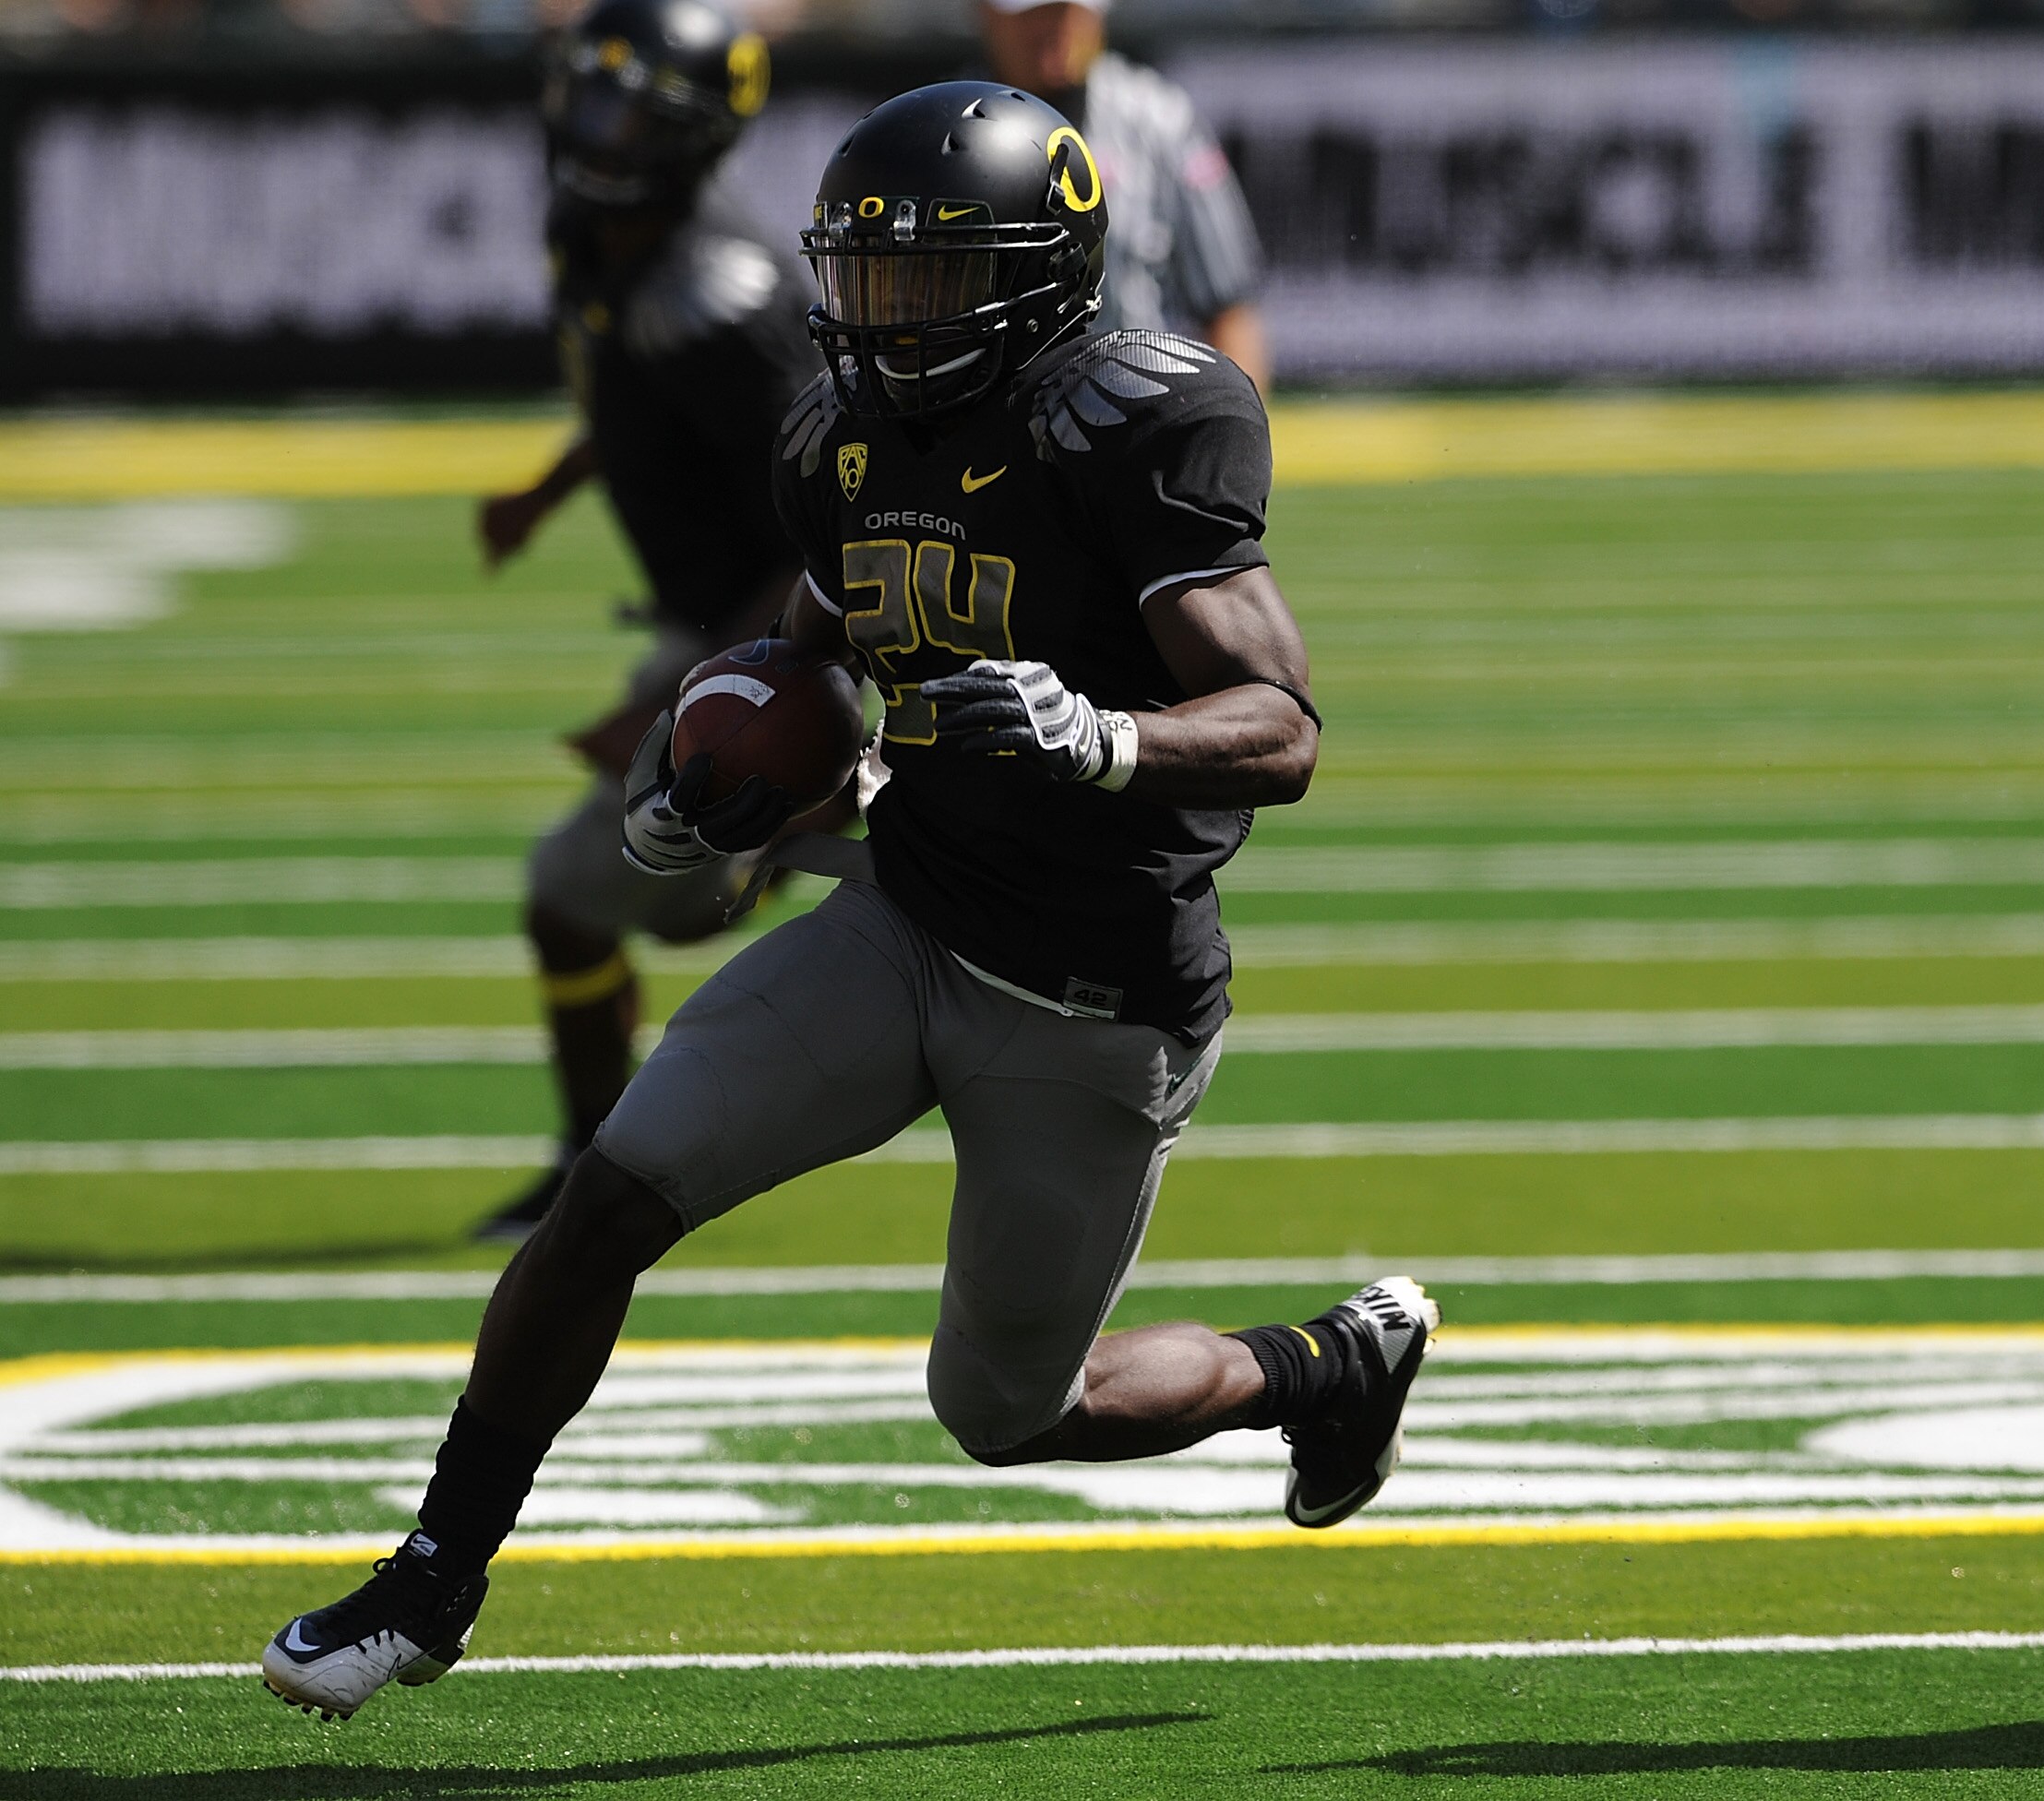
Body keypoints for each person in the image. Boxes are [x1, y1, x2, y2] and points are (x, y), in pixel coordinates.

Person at [259, 82, 1435, 1723]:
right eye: (866, 275)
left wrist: (1102, 736)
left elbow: (1284, 729)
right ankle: (433, 1577)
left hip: (1088, 995)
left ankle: (1326, 1365)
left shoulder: (1138, 421)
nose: (887, 314)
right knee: (612, 1195)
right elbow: (805, 666)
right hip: (906, 913)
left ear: (1037, 278)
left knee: (1013, 1409)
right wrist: (704, 796)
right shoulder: (840, 431)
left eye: (931, 278)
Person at [470, 0, 823, 1243]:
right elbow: (631, 395)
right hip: (711, 630)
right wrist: (549, 489)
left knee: (587, 893)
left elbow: (824, 524)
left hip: (787, 639)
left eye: (635, 107)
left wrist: (694, 702)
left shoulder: (726, 296)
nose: (599, 123)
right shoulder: (603, 235)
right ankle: (593, 1163)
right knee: (645, 903)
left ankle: (831, 801)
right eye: (595, 92)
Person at [977, 0, 1272, 393]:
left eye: (1067, 10)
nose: (1054, 27)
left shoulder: (1161, 120)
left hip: (1138, 425)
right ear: (986, 12)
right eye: (1036, 12)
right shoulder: (945, 130)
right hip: (994, 432)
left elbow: (1229, 311)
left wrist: (1234, 439)